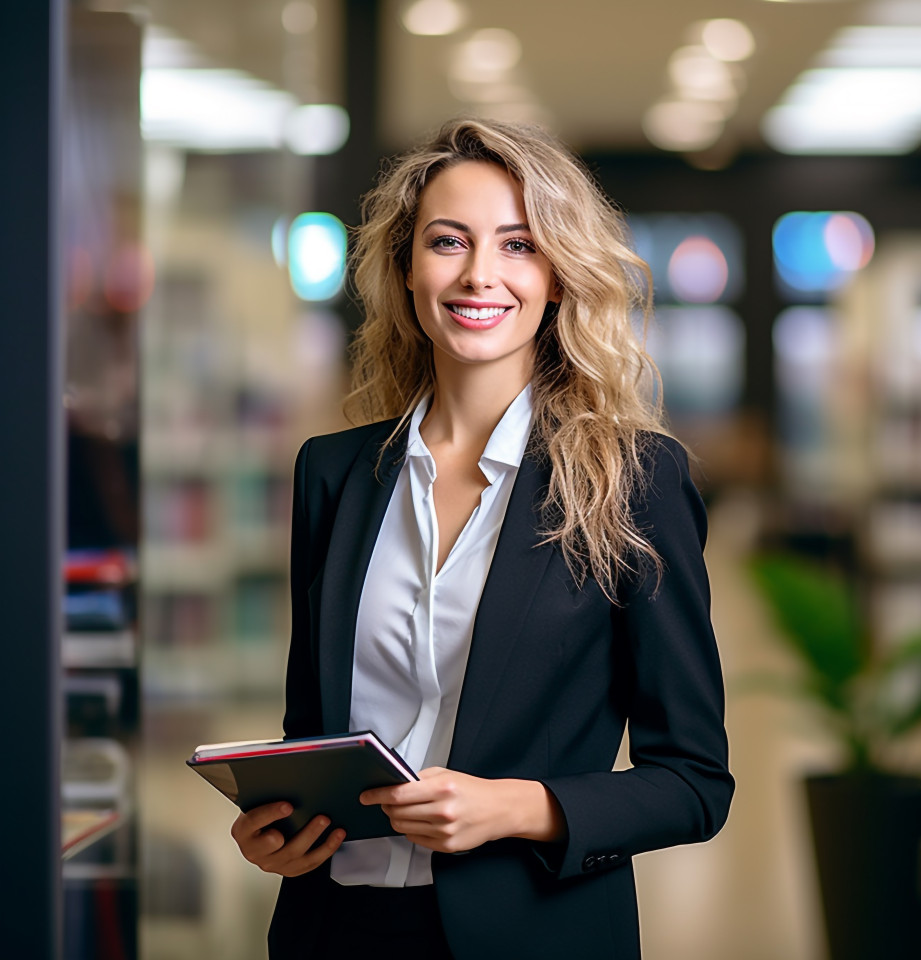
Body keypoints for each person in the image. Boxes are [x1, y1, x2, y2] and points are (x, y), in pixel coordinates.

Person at [231, 118, 734, 959]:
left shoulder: (633, 479)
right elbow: (311, 735)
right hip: (335, 930)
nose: (479, 275)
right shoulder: (334, 473)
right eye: (448, 241)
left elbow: (693, 782)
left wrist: (513, 806)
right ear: (405, 268)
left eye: (517, 245)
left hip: (533, 931)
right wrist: (277, 827)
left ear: (559, 276)